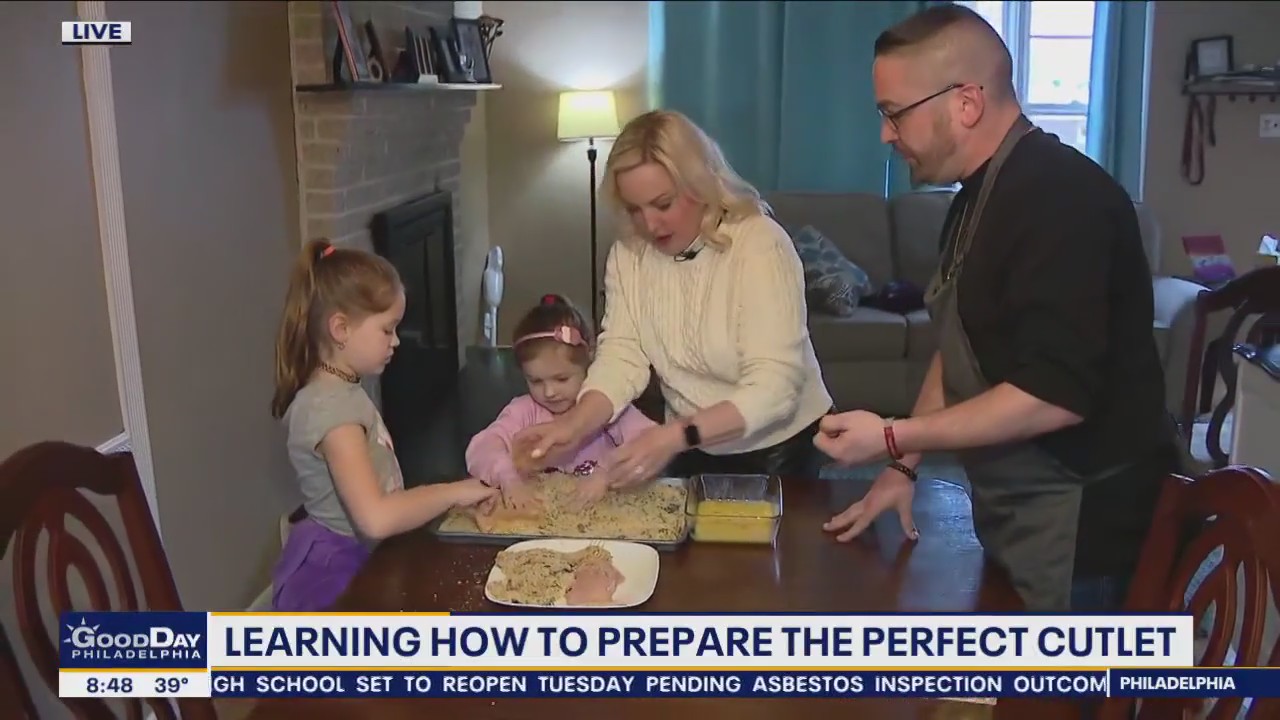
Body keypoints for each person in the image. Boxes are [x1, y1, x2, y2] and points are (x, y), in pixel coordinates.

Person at [815, 4, 1177, 612]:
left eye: (893, 113)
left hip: (1089, 535)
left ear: (966, 102)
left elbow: (1053, 394)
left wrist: (892, 434)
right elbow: (958, 343)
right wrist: (903, 465)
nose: (884, 133)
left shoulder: (1062, 201)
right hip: (1016, 517)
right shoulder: (973, 199)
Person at [513, 110, 834, 500]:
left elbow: (775, 387)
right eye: (634, 209)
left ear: (700, 184)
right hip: (691, 446)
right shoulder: (629, 255)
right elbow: (622, 354)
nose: (649, 225)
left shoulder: (760, 245)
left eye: (662, 204)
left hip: (781, 451)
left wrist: (674, 436)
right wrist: (575, 427)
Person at [269, 239, 497, 612]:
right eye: (386, 330)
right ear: (341, 329)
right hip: (336, 577)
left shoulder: (341, 389)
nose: (395, 342)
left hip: (360, 555)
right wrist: (454, 492)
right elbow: (375, 518)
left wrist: (448, 505)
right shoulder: (332, 411)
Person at [465, 294, 656, 509]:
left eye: (562, 378)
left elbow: (650, 442)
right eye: (535, 381)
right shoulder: (523, 411)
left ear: (589, 363)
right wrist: (508, 478)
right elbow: (480, 449)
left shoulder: (604, 407)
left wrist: (607, 474)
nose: (549, 392)